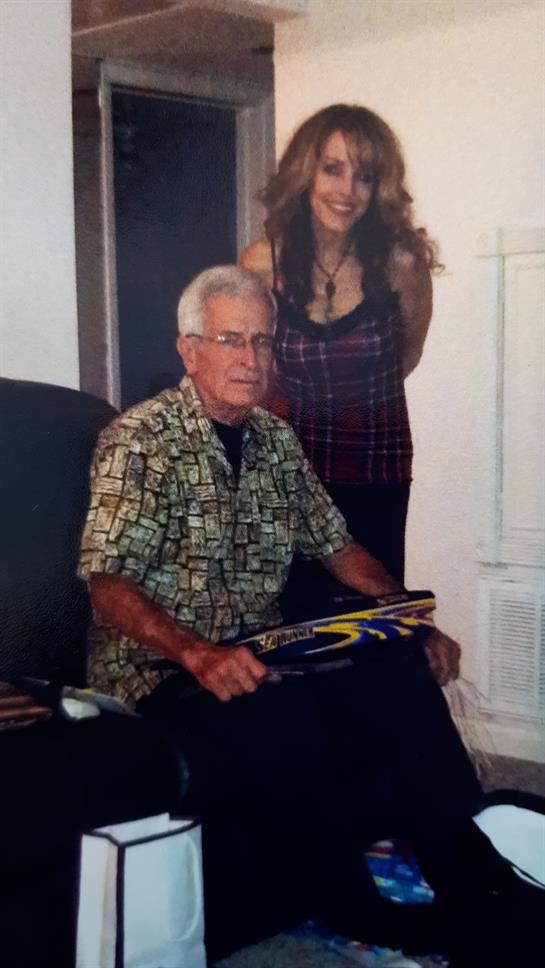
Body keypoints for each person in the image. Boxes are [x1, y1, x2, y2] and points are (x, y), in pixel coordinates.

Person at [79, 267, 511, 965]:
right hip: (160, 668)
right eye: (230, 340)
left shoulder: (276, 440)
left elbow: (338, 546)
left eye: (263, 342)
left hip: (259, 652)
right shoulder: (140, 441)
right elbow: (107, 581)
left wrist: (408, 620)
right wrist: (197, 654)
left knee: (397, 674)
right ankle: (351, 901)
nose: (251, 360)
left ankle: (475, 879)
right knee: (285, 719)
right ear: (190, 350)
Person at [241, 103, 440, 588]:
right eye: (333, 169)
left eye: (365, 176)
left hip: (375, 472)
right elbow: (255, 364)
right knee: (290, 622)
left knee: (372, 619)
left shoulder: (401, 265)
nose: (347, 191)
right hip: (286, 474)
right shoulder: (261, 263)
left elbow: (406, 356)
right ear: (306, 173)